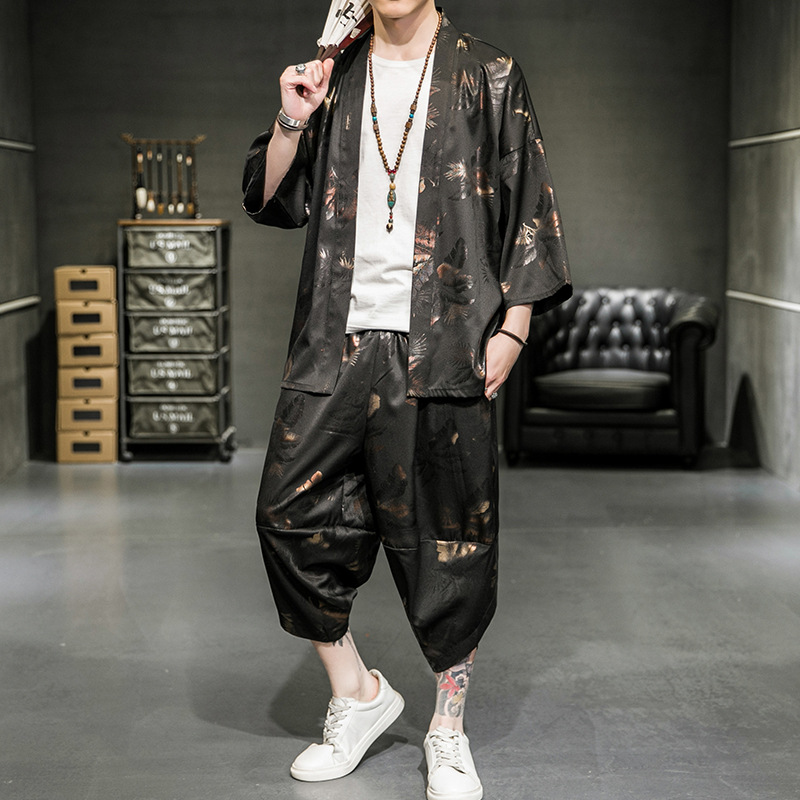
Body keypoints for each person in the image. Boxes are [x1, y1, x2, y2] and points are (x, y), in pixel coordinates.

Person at [242, 2, 571, 798]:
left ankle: (448, 728)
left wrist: (515, 326)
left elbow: (527, 203)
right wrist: (292, 118)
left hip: (446, 338)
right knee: (287, 515)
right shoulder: (335, 76)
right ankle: (358, 695)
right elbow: (271, 198)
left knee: (452, 535)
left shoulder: (487, 73)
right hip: (335, 338)